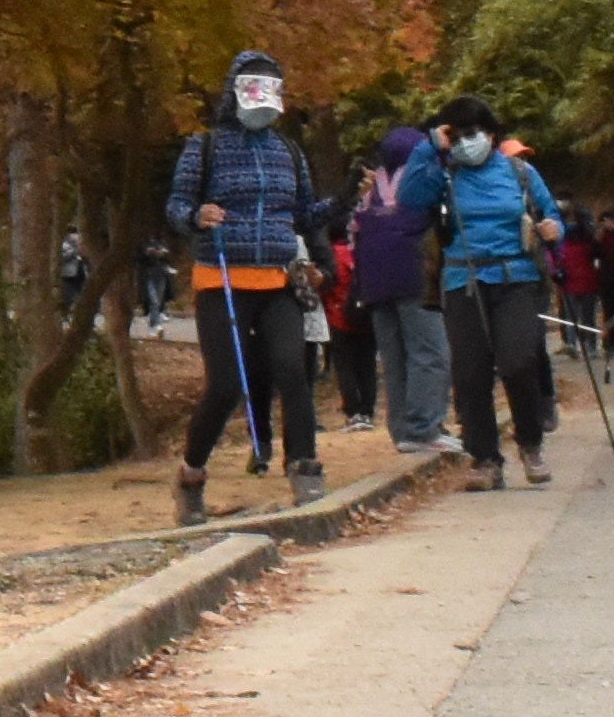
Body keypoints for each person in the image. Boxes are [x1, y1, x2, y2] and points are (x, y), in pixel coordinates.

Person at [164, 49, 334, 524]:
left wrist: (341, 202)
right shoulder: (206, 147)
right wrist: (198, 216)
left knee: (292, 371)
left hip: (278, 280)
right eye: (255, 85)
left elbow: (303, 214)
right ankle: (191, 474)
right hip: (221, 279)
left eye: (273, 86)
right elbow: (176, 206)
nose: (265, 95)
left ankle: (305, 468)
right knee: (226, 384)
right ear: (235, 90)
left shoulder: (289, 152)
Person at [421, 100, 569, 489]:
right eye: (457, 134)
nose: (467, 142)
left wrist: (555, 231)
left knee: (520, 361)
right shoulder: (443, 176)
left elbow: (550, 214)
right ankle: (485, 458)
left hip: (515, 278)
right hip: (461, 281)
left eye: (473, 133)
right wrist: (429, 148)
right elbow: (408, 203)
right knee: (470, 374)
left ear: (490, 134)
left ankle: (531, 442)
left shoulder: (520, 172)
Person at [349, 118, 447, 454]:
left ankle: (402, 430)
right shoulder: (421, 179)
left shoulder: (371, 187)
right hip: (414, 274)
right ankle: (424, 427)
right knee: (429, 353)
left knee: (393, 358)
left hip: (374, 282)